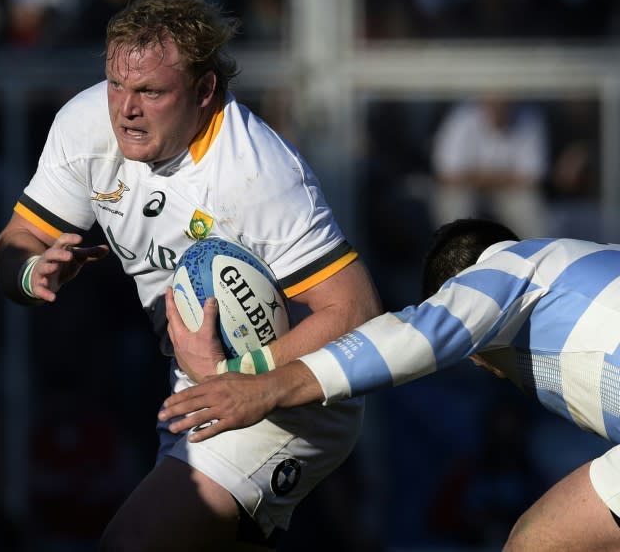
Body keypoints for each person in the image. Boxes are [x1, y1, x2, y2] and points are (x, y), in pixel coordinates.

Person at [0, 0, 382, 551]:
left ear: (204, 91)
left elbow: (356, 311)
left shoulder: (256, 172)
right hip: (196, 385)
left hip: (291, 395)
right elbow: (15, 242)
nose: (125, 108)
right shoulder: (86, 126)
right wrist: (33, 273)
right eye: (116, 85)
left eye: (150, 91)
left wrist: (250, 375)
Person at [160, 217, 620, 551]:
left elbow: (416, 336)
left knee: (540, 541)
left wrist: (267, 383)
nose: (480, 365)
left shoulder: (508, 266)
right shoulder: (593, 259)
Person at [430, 95, 549, 238]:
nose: (498, 109)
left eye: (503, 104)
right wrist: (500, 177)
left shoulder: (528, 118)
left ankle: (537, 255)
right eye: (493, 104)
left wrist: (476, 176)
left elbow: (532, 177)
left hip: (509, 192)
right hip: (468, 189)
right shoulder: (462, 116)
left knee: (528, 205)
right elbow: (446, 174)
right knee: (453, 201)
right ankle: (456, 255)